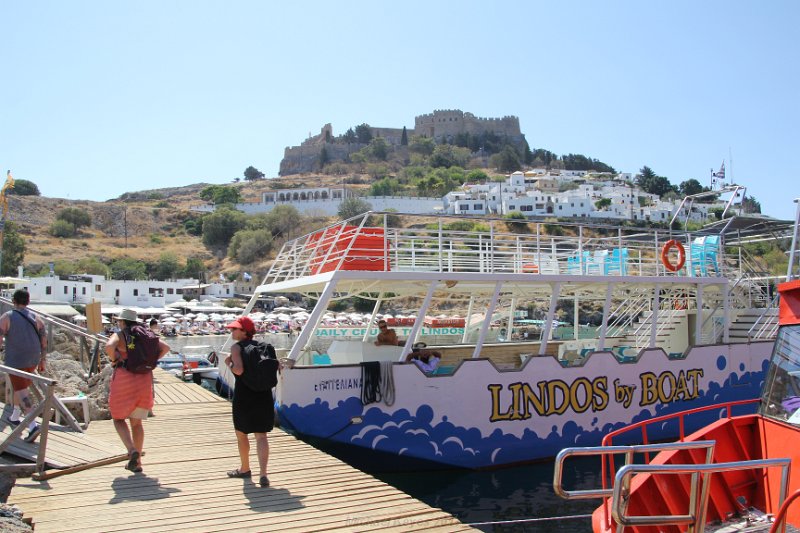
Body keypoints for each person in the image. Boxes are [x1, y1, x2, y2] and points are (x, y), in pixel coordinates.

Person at [105, 308, 170, 473]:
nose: (118, 323)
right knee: (137, 423)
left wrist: (115, 359)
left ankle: (131, 449)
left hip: (124, 380)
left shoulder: (121, 335)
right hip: (144, 380)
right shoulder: (145, 334)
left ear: (123, 322)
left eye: (119, 321)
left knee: (118, 418)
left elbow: (108, 346)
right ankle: (138, 462)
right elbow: (165, 348)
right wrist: (151, 361)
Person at [224, 316, 274, 487]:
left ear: (244, 331)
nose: (231, 331)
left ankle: (245, 469)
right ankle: (263, 474)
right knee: (261, 436)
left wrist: (228, 363)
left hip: (245, 396)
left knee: (241, 434)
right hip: (264, 395)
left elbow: (238, 370)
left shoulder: (236, 347)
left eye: (234, 329)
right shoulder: (263, 347)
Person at [0, 289, 47, 442]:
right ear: (28, 301)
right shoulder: (37, 318)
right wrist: (42, 360)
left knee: (21, 391)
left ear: (13, 301)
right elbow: (44, 341)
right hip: (33, 358)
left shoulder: (8, 317)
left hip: (17, 359)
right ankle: (14, 415)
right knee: (19, 385)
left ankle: (33, 425)